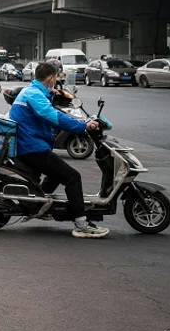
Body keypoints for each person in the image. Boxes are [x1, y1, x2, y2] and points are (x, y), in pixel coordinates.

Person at [8, 62, 107, 238]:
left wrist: (52, 94)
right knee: (72, 177)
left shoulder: (33, 91)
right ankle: (81, 223)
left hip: (30, 144)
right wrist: (83, 126)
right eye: (56, 78)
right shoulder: (34, 95)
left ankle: (37, 206)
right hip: (31, 147)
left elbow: (46, 111)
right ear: (51, 78)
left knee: (55, 174)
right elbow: (53, 116)